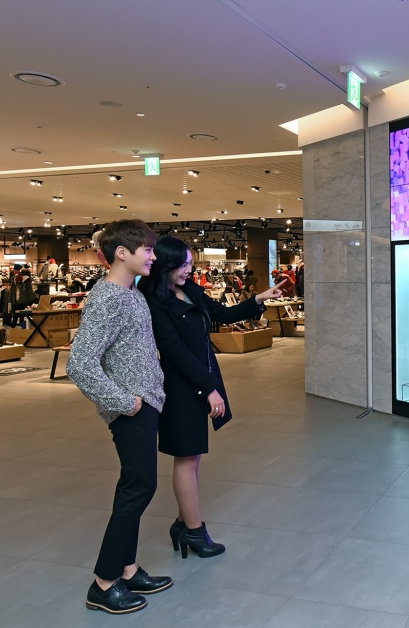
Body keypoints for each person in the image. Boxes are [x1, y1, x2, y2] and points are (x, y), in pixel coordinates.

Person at [139, 236, 283, 558]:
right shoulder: (154, 302)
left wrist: (260, 299)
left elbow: (222, 315)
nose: (188, 270)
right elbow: (175, 353)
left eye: (190, 264)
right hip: (180, 387)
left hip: (198, 380)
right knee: (186, 458)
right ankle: (194, 531)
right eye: (183, 265)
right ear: (165, 264)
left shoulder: (190, 290)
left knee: (193, 458)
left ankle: (183, 523)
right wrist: (209, 389)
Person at [66, 220, 173, 615]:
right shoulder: (107, 298)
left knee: (135, 485)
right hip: (132, 408)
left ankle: (126, 569)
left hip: (146, 403)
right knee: (139, 487)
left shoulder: (132, 294)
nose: (153, 256)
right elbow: (79, 364)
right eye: (147, 249)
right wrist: (125, 402)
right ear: (122, 253)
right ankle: (105, 582)